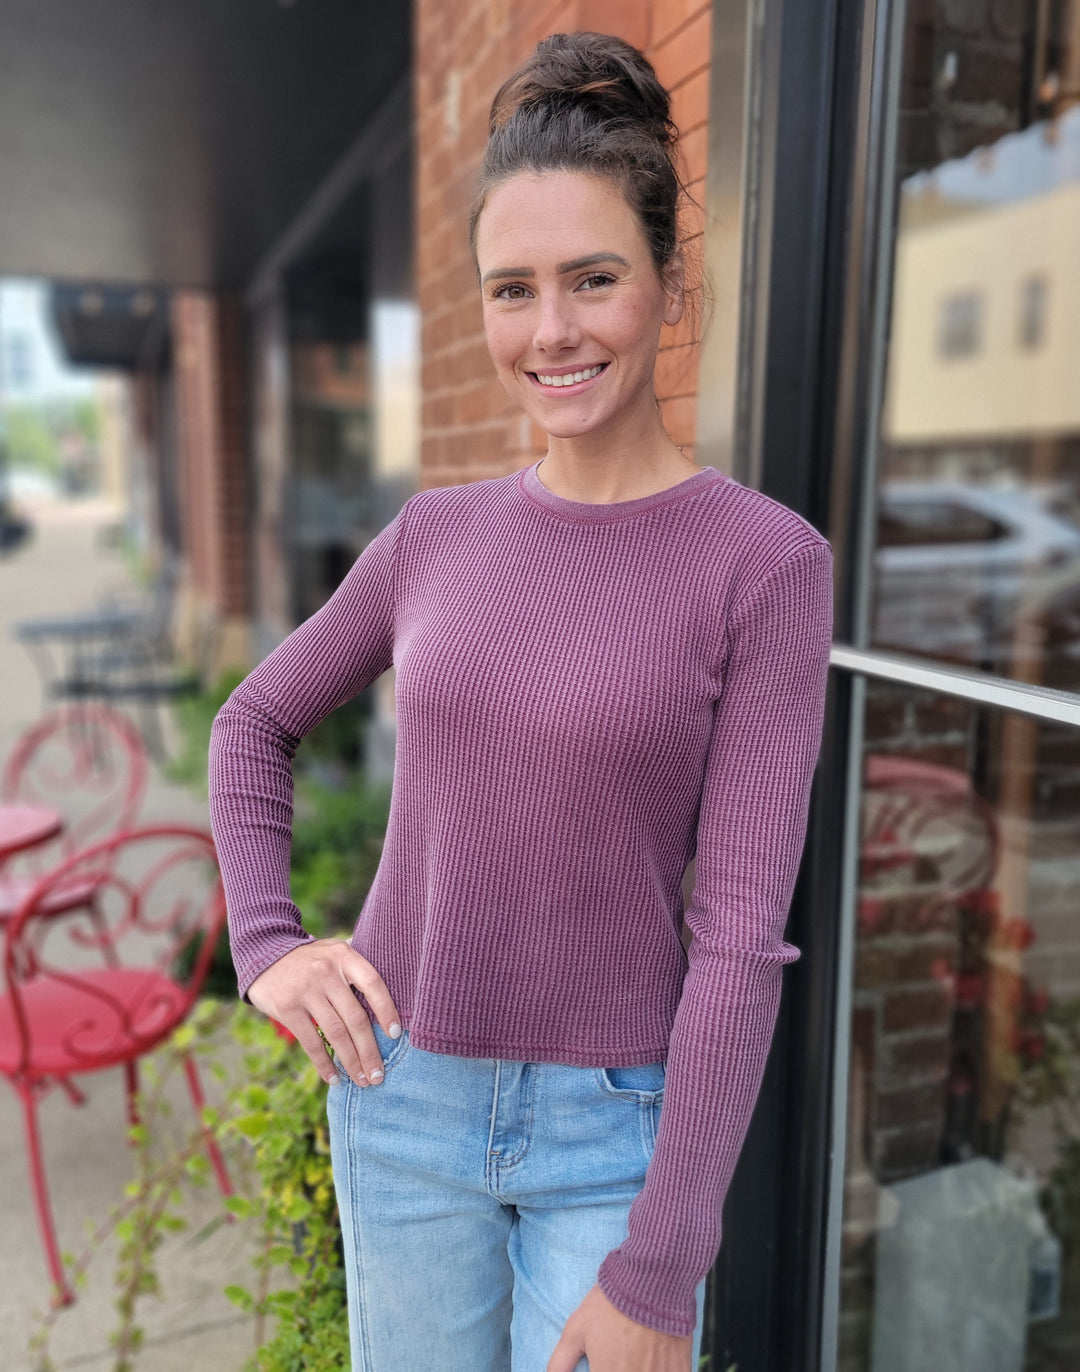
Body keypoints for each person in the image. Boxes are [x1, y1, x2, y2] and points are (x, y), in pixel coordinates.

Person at [208, 30, 833, 1372]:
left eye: (593, 279)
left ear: (671, 289)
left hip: (618, 1131)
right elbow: (251, 724)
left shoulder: (766, 564)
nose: (549, 331)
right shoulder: (433, 537)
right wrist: (267, 947)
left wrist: (663, 1274)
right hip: (402, 1094)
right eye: (512, 290)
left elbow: (738, 944)